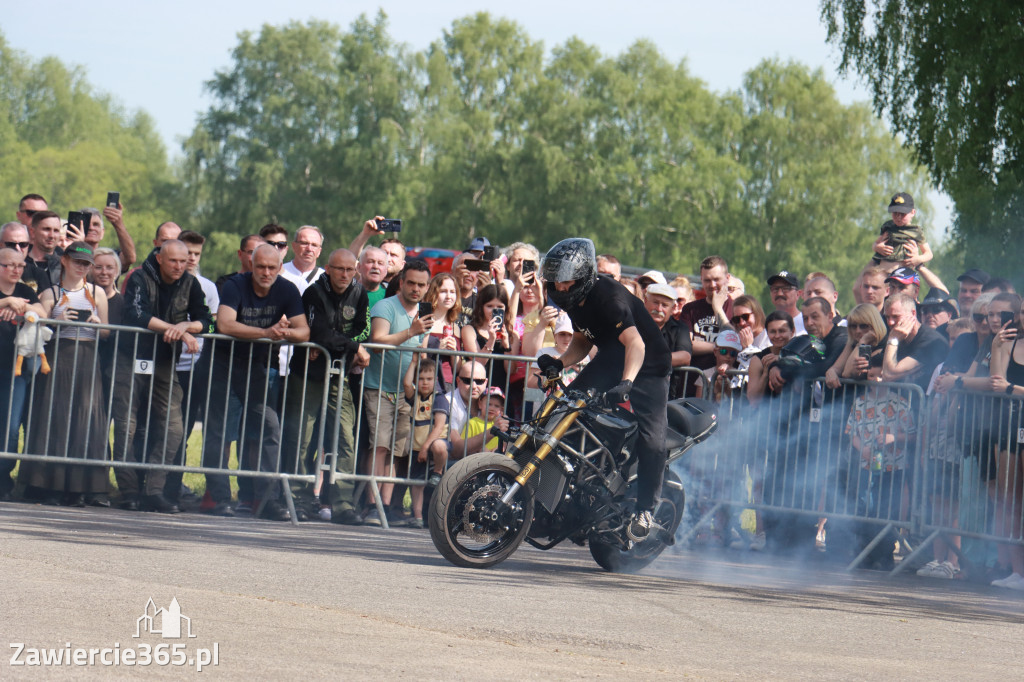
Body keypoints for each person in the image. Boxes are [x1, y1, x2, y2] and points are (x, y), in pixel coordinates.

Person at [538, 237, 671, 542]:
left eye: (565, 281)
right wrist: (560, 363)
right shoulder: (566, 296)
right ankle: (570, 497)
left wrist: (627, 383)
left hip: (649, 366)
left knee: (652, 441)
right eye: (555, 281)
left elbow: (636, 344)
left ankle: (646, 510)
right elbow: (585, 339)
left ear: (583, 276)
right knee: (566, 409)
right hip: (611, 357)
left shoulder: (610, 299)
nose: (559, 288)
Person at [200, 243, 309, 521]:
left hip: (259, 367)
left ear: (279, 268)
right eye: (260, 266)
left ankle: (267, 499)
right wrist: (266, 331)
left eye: (272, 267)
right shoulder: (235, 285)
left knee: (269, 429)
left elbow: (303, 331)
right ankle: (218, 498)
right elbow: (225, 324)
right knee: (220, 432)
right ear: (251, 264)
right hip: (224, 364)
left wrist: (282, 333)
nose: (266, 272)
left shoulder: (286, 289)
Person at [112, 240, 212, 514]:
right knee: (126, 426)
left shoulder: (191, 283)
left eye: (184, 260)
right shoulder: (140, 277)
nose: (179, 266)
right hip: (130, 357)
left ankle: (154, 490)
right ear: (159, 258)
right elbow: (135, 314)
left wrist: (186, 326)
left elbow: (208, 320)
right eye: (173, 261)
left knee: (174, 428)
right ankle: (128, 490)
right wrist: (175, 329)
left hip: (166, 361)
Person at [280, 248, 369, 526]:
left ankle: (343, 503)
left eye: (349, 270)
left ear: (355, 271)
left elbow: (363, 329)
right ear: (327, 269)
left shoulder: (360, 293)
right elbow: (318, 333)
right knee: (302, 438)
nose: (344, 275)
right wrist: (352, 346)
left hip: (339, 373)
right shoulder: (313, 293)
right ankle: (299, 498)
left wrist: (338, 344)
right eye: (339, 269)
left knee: (345, 437)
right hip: (307, 373)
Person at [21, 242, 110, 507]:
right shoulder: (51, 293)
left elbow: (107, 331)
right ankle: (48, 485)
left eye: (87, 264)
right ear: (65, 261)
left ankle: (81, 487)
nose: (82, 268)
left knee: (87, 420)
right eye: (78, 262)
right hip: (58, 357)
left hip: (88, 357)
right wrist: (61, 321)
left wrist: (96, 324)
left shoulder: (98, 293)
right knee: (54, 418)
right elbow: (40, 325)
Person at [363, 259, 432, 525]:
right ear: (401, 282)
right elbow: (378, 343)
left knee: (396, 451)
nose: (416, 289)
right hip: (379, 387)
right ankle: (371, 505)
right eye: (412, 283)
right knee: (379, 447)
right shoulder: (385, 306)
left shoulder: (424, 314)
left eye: (421, 285)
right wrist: (410, 331)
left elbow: (421, 353)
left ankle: (387, 506)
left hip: (407, 391)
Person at [844, 351, 915, 570]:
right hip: (867, 465)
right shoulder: (860, 403)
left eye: (880, 376)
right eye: (871, 376)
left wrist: (894, 437)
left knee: (887, 509)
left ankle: (884, 554)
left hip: (893, 466)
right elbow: (851, 432)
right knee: (865, 507)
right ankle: (864, 552)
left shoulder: (901, 403)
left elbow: (913, 434)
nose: (876, 381)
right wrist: (861, 448)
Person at [986, 293, 1024, 590]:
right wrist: (997, 345)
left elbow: (1007, 387)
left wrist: (1013, 388)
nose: (1022, 317)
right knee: (1008, 500)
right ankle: (1017, 571)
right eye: (1022, 311)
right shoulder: (1010, 343)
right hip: (1010, 428)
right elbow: (996, 383)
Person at [0, 247, 44, 500]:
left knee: (10, 426)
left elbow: (43, 312)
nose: (17, 270)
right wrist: (5, 302)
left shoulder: (25, 291)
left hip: (13, 368)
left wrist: (23, 309)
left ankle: (3, 478)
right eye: (11, 265)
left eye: (21, 266)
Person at [881, 293, 948, 396]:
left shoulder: (932, 341)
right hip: (899, 405)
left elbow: (890, 374)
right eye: (887, 317)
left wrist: (893, 340)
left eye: (896, 316)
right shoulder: (897, 337)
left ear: (913, 313)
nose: (890, 322)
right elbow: (885, 375)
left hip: (925, 407)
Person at [678, 256, 735, 374]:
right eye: (707, 280)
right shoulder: (690, 309)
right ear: (701, 280)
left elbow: (734, 343)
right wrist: (717, 347)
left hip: (724, 383)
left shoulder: (737, 309)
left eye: (716, 279)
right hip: (691, 383)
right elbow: (685, 345)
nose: (712, 285)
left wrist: (717, 308)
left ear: (727, 278)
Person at [461, 284, 519, 395]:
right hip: (477, 390)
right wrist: (491, 340)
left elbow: (510, 370)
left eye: (500, 307)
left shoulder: (512, 335)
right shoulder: (469, 330)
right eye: (490, 306)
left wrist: (506, 346)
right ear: (481, 307)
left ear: (506, 308)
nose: (494, 311)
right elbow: (478, 363)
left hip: (501, 393)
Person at [644, 282, 692, 399]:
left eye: (664, 305)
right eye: (655, 303)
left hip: (667, 397)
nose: (659, 309)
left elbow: (685, 356)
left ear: (672, 308)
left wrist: (647, 359)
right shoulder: (633, 324)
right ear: (645, 301)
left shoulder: (680, 329)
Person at [871, 192, 932, 270]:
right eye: (895, 213)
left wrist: (918, 259)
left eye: (903, 214)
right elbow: (875, 243)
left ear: (913, 212)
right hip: (883, 273)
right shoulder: (888, 226)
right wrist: (877, 247)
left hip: (904, 276)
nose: (898, 217)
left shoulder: (916, 231)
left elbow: (928, 253)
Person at [422, 273, 461, 391]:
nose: (449, 296)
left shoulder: (455, 327)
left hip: (448, 383)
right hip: (427, 381)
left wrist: (454, 352)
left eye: (453, 292)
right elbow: (418, 356)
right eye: (443, 291)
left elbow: (457, 368)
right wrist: (436, 348)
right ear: (434, 293)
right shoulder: (424, 321)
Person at [765, 270, 805, 336]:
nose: (779, 293)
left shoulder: (806, 323)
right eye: (775, 289)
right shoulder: (767, 325)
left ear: (798, 294)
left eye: (786, 288)